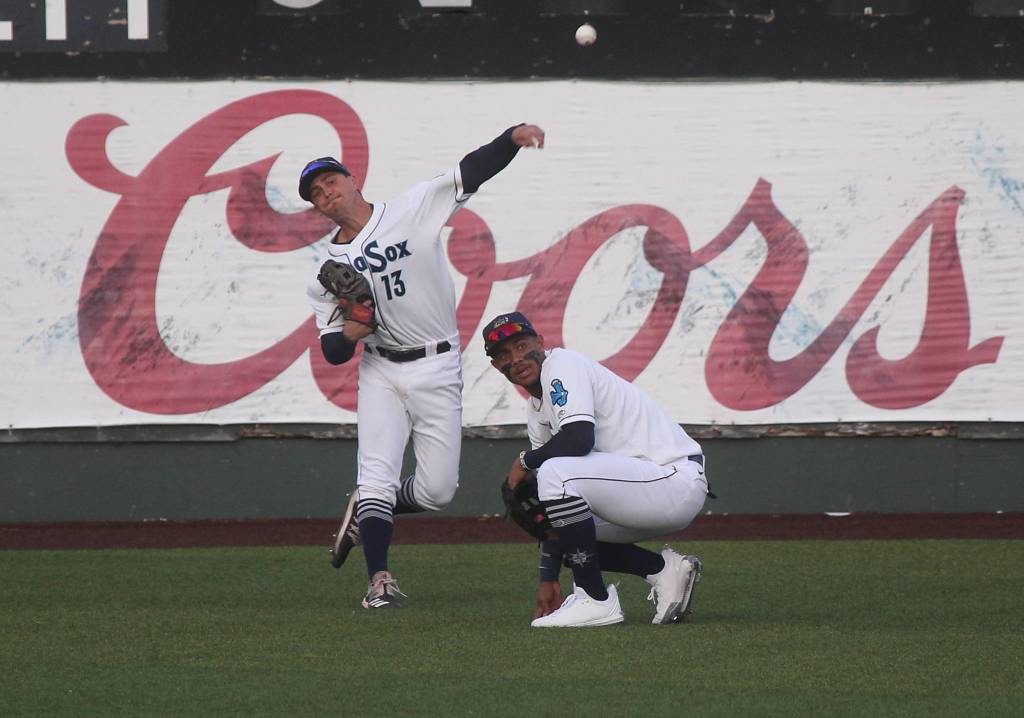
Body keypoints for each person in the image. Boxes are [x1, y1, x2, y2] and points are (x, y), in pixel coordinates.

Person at [301, 124, 546, 609]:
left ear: (353, 180)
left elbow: (470, 172)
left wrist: (512, 137)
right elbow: (332, 349)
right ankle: (379, 580)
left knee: (437, 492)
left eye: (330, 180)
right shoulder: (326, 271)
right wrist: (355, 327)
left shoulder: (410, 209)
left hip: (438, 364)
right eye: (315, 193)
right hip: (381, 371)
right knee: (377, 474)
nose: (326, 192)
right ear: (317, 209)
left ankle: (370, 510)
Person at [482, 312, 712, 627]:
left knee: (554, 472)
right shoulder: (536, 411)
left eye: (522, 345)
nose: (517, 358)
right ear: (496, 366)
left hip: (671, 479)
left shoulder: (562, 365)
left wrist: (525, 461)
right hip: (645, 490)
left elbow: (578, 439)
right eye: (504, 355)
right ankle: (664, 571)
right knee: (566, 530)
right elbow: (556, 508)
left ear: (540, 342)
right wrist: (548, 576)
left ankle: (594, 600)